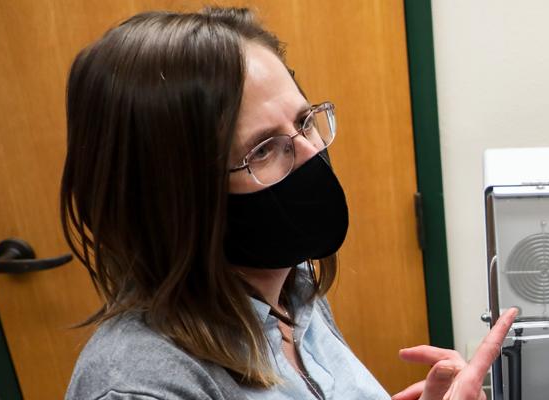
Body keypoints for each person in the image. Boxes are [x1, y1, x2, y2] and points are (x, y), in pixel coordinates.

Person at [61, 8, 516, 399]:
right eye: (262, 149)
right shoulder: (140, 384)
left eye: (304, 121)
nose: (312, 153)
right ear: (176, 200)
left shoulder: (292, 291)